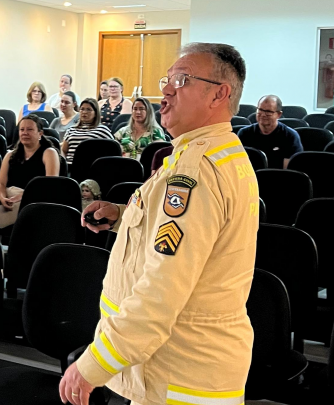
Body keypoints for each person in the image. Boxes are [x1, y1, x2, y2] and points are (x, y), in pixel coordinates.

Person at [60, 43, 258, 405]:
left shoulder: (197, 170)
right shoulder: (212, 153)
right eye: (166, 79)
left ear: (219, 94)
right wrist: (123, 215)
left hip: (179, 377)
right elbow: (189, 235)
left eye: (182, 80)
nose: (166, 90)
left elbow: (161, 290)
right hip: (182, 373)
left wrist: (93, 365)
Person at [0, 116, 61, 228]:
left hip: (33, 197)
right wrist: (2, 198)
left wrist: (21, 196)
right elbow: (1, 183)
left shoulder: (49, 152)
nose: (25, 133)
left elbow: (49, 185)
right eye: (22, 130)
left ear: (40, 134)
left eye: (29, 129)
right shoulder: (10, 155)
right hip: (8, 195)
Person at [237, 95, 303, 169]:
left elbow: (288, 171)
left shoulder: (290, 136)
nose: (263, 114)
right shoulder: (244, 134)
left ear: (278, 114)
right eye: (260, 110)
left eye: (268, 111)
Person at [61, 98, 113, 163]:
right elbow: (63, 151)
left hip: (92, 166)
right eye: (82, 109)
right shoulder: (71, 130)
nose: (84, 112)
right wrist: (63, 164)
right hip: (70, 166)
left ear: (96, 113)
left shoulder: (102, 130)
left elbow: (114, 149)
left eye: (88, 109)